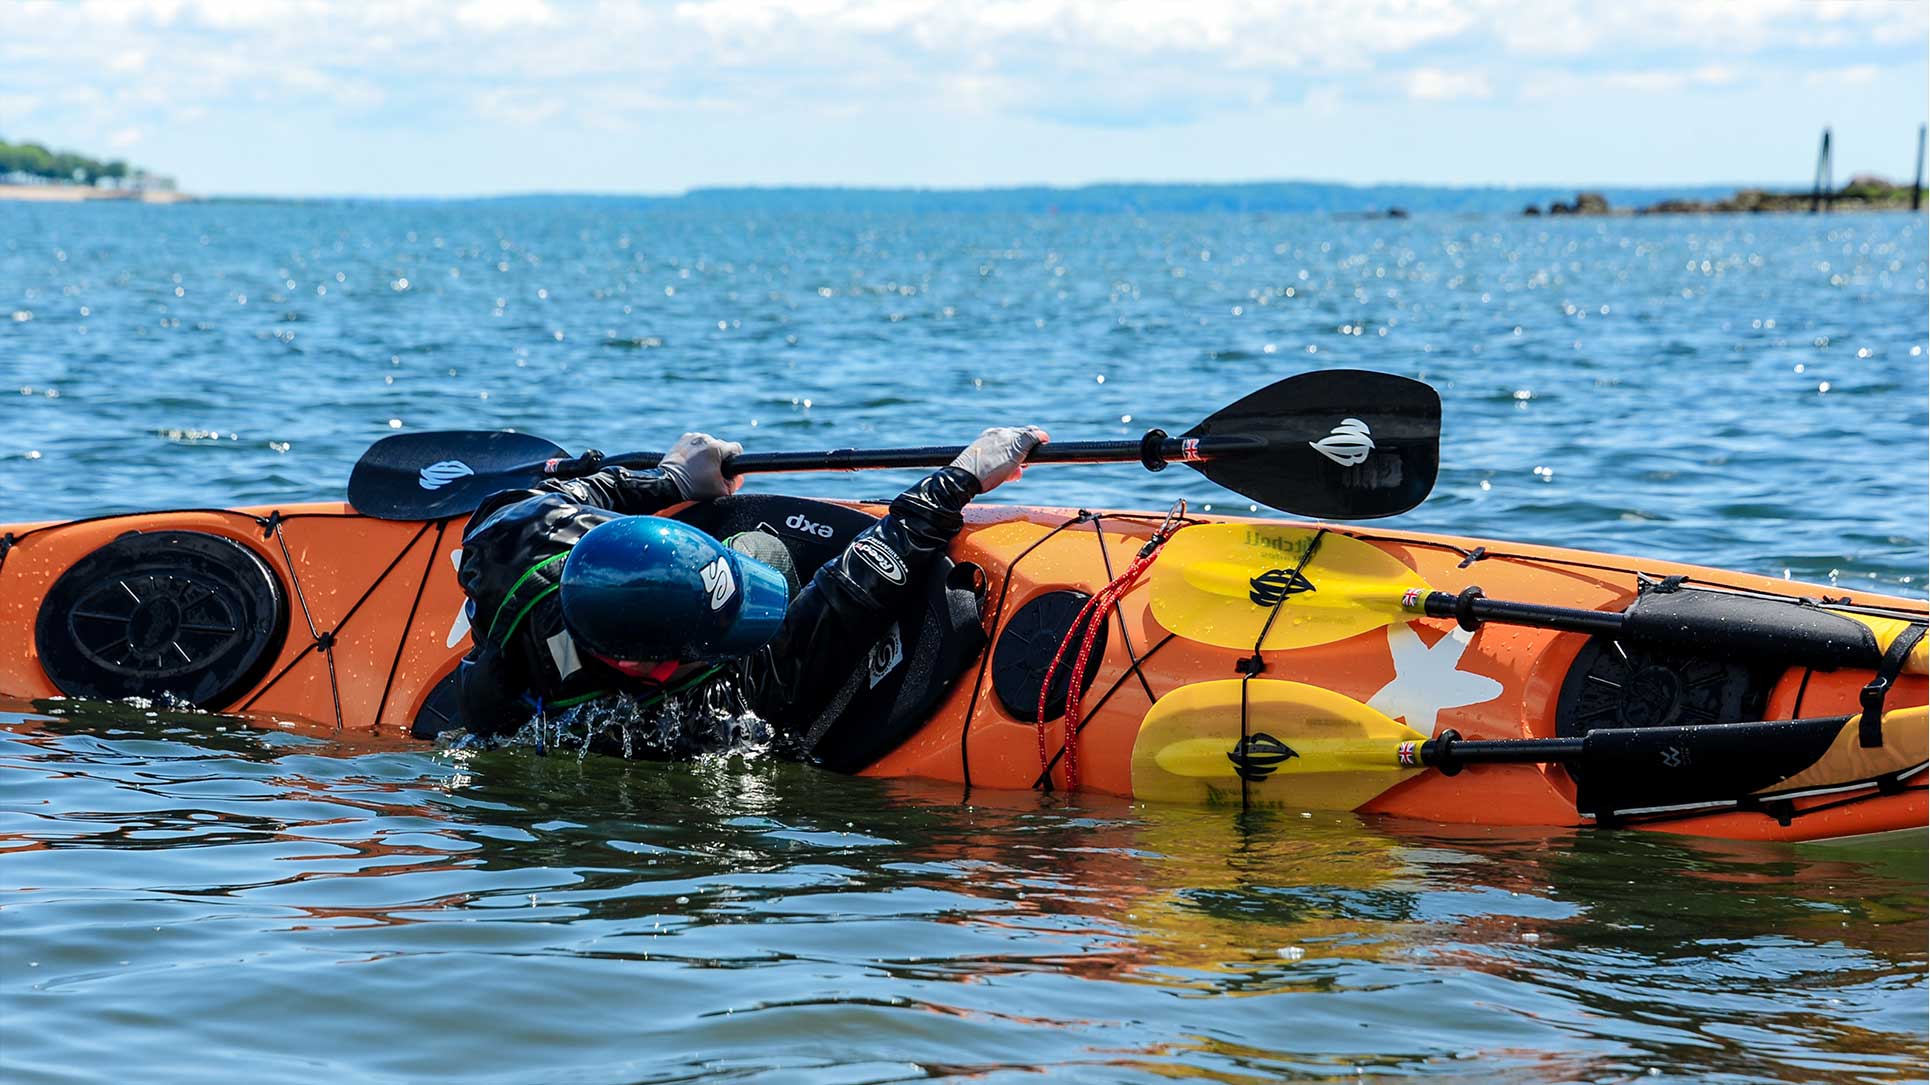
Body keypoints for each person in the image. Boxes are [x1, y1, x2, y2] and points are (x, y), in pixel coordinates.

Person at [453, 425, 1047, 760]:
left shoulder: (512, 554)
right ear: (655, 659)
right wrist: (958, 479)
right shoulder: (726, 699)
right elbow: (859, 582)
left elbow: (509, 508)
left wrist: (668, 480)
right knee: (763, 552)